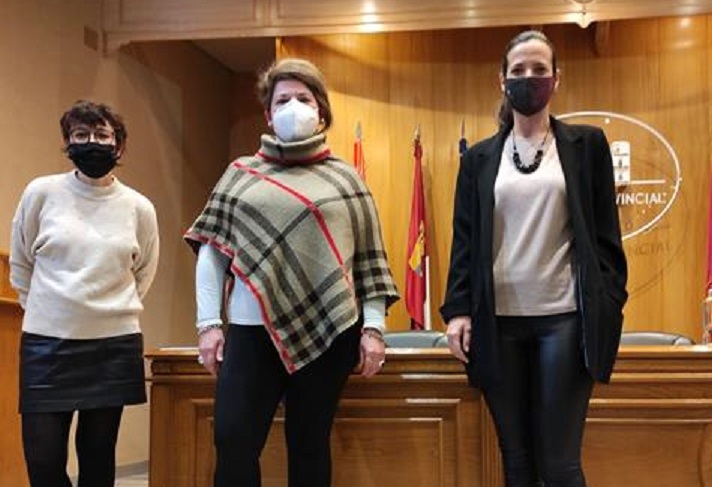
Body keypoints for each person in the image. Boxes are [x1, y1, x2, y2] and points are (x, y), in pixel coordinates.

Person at [184, 58, 399, 487]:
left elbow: (369, 263)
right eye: (283, 100)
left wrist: (373, 328)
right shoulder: (240, 174)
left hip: (328, 334)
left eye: (304, 98)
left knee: (309, 444)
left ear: (321, 111)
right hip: (250, 332)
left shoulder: (346, 179)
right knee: (232, 440)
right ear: (268, 114)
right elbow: (212, 254)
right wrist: (208, 324)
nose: (293, 107)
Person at [440, 30, 628, 487]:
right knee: (517, 462)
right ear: (502, 79)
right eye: (518, 70)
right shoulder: (479, 159)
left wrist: (608, 300)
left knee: (559, 463)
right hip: (497, 324)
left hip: (564, 320)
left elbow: (606, 237)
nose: (529, 78)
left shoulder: (587, 146)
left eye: (539, 69)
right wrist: (458, 310)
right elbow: (464, 241)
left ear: (556, 79)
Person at [9, 100, 160, 487]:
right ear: (67, 142)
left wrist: (108, 310)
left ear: (118, 144)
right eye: (80, 134)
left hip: (112, 345)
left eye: (102, 135)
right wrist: (47, 309)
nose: (91, 142)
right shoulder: (41, 193)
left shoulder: (139, 207)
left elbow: (143, 271)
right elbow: (21, 262)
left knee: (97, 458)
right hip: (46, 344)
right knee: (43, 461)